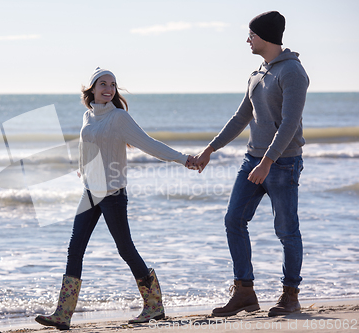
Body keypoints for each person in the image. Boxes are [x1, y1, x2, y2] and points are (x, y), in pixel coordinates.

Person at [35, 67, 195, 330]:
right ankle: (63, 314)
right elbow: (84, 145)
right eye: (102, 84)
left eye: (112, 84)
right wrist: (82, 168)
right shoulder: (88, 116)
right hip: (90, 192)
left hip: (113, 193)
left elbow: (148, 143)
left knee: (125, 249)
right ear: (92, 89)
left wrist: (182, 158)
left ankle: (154, 306)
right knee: (74, 249)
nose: (108, 89)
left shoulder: (119, 118)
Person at [192, 11, 309, 317]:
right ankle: (244, 292)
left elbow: (289, 125)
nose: (247, 40)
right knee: (233, 220)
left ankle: (290, 295)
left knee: (286, 230)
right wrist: (211, 148)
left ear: (265, 36)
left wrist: (268, 161)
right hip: (252, 160)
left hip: (282, 163)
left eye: (251, 35)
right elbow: (241, 117)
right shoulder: (258, 73)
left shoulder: (293, 72)